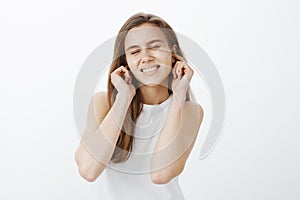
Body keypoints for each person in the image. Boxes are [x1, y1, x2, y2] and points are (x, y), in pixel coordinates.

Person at [75, 12, 204, 200]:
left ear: (173, 53)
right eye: (135, 51)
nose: (146, 57)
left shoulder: (191, 111)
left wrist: (178, 96)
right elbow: (88, 170)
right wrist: (123, 99)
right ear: (125, 62)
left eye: (155, 47)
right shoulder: (104, 103)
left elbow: (162, 174)